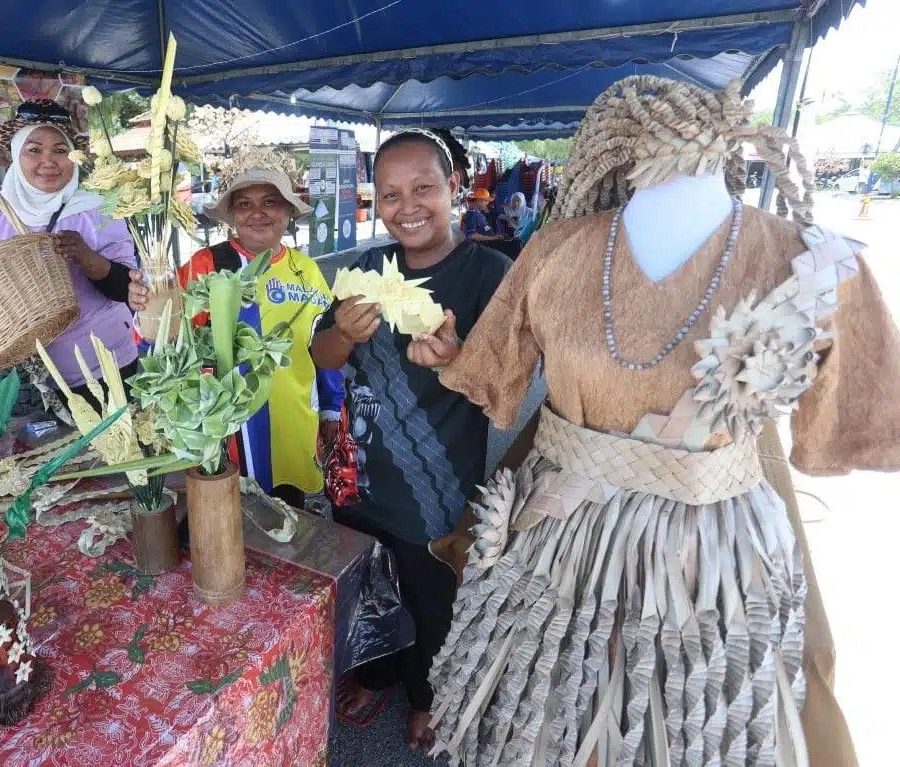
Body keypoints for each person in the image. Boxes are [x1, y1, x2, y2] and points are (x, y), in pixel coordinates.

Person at [416, 76, 886, 767]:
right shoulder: (557, 252)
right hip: (559, 550)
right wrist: (452, 354)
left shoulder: (814, 264)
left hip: (712, 566)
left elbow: (846, 427)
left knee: (692, 732)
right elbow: (492, 377)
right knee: (547, 724)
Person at [310, 128, 513, 751]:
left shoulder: (491, 277)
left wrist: (457, 361)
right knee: (367, 588)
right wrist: (345, 332)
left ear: (455, 187)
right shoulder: (365, 268)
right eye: (390, 194)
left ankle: (428, 692)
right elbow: (322, 355)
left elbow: (508, 389)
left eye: (424, 187)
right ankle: (374, 671)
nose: (408, 206)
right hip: (361, 478)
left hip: (439, 490)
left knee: (432, 603)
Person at [179, 167, 344, 510]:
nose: (257, 213)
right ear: (233, 216)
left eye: (270, 202)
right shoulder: (208, 264)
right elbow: (173, 342)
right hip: (232, 432)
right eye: (244, 204)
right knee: (235, 525)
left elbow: (323, 344)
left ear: (287, 212)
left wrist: (330, 407)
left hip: (296, 421)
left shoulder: (306, 269)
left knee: (290, 514)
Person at [0, 99, 148, 399]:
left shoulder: (98, 208)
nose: (48, 161)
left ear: (73, 157)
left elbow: (125, 289)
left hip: (105, 369)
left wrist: (84, 255)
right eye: (34, 150)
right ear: (16, 155)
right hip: (25, 380)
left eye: (60, 150)